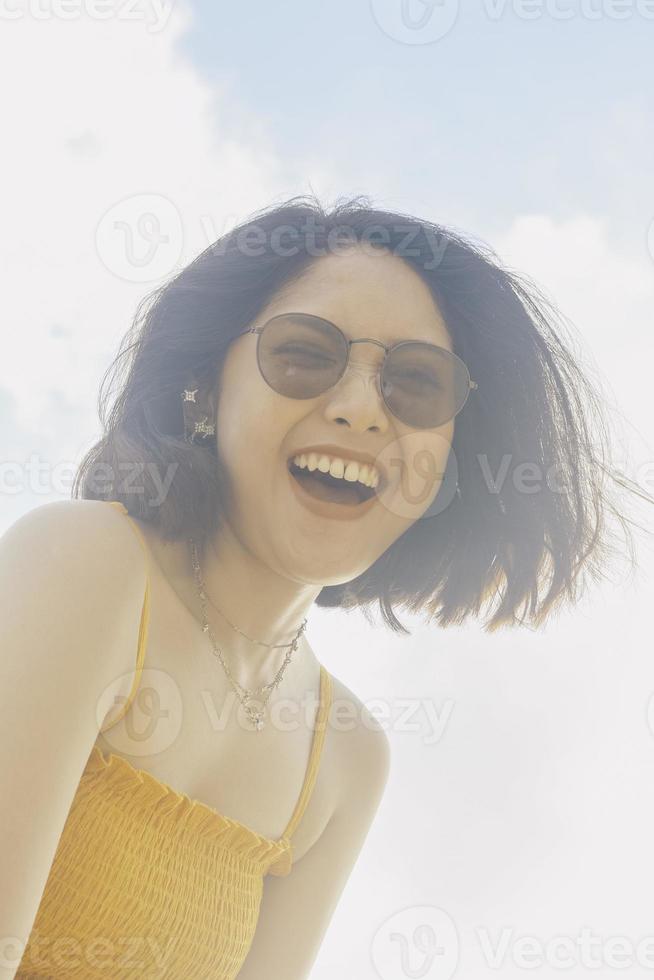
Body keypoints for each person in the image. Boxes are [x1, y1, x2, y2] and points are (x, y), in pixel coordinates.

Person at [1, 195, 646, 979]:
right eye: (306, 355)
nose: (359, 411)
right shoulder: (85, 561)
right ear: (205, 387)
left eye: (416, 383)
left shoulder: (345, 758)